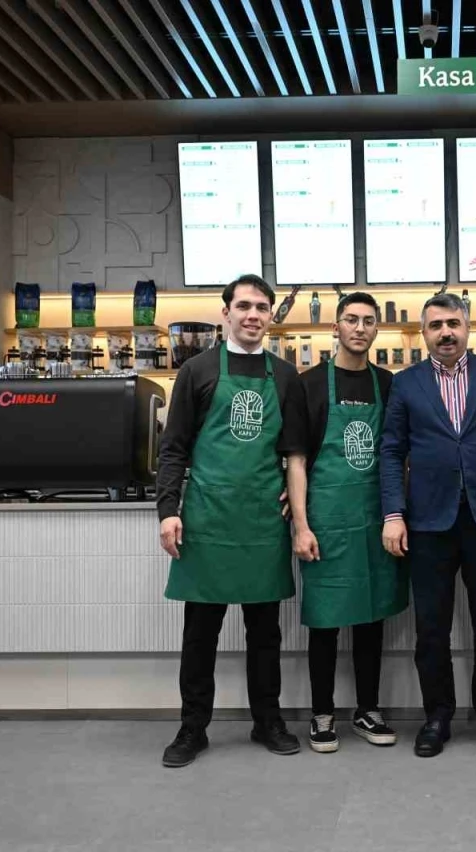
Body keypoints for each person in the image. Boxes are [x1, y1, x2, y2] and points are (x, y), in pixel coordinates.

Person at [381, 292, 476, 758]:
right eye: (436, 325)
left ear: (467, 327)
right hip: (428, 522)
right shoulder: (405, 383)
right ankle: (437, 716)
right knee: (431, 628)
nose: (445, 332)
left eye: (453, 323)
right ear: (423, 333)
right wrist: (393, 513)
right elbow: (391, 450)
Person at [156, 273, 301, 767]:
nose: (253, 315)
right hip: (207, 519)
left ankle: (268, 720)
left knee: (265, 633)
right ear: (226, 313)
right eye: (244, 306)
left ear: (270, 316)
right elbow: (173, 449)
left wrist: (294, 497)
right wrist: (168, 511)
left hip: (262, 519)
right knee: (200, 634)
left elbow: (295, 452)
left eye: (261, 307)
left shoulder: (285, 377)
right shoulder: (196, 371)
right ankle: (192, 728)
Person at [279, 292, 408, 753]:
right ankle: (322, 713)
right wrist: (301, 525)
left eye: (368, 321)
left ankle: (368, 709)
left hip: (375, 518)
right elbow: (296, 460)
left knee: (372, 616)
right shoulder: (308, 384)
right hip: (327, 520)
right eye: (351, 319)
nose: (359, 328)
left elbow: (399, 454)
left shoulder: (389, 384)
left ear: (377, 330)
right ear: (335, 327)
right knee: (326, 621)